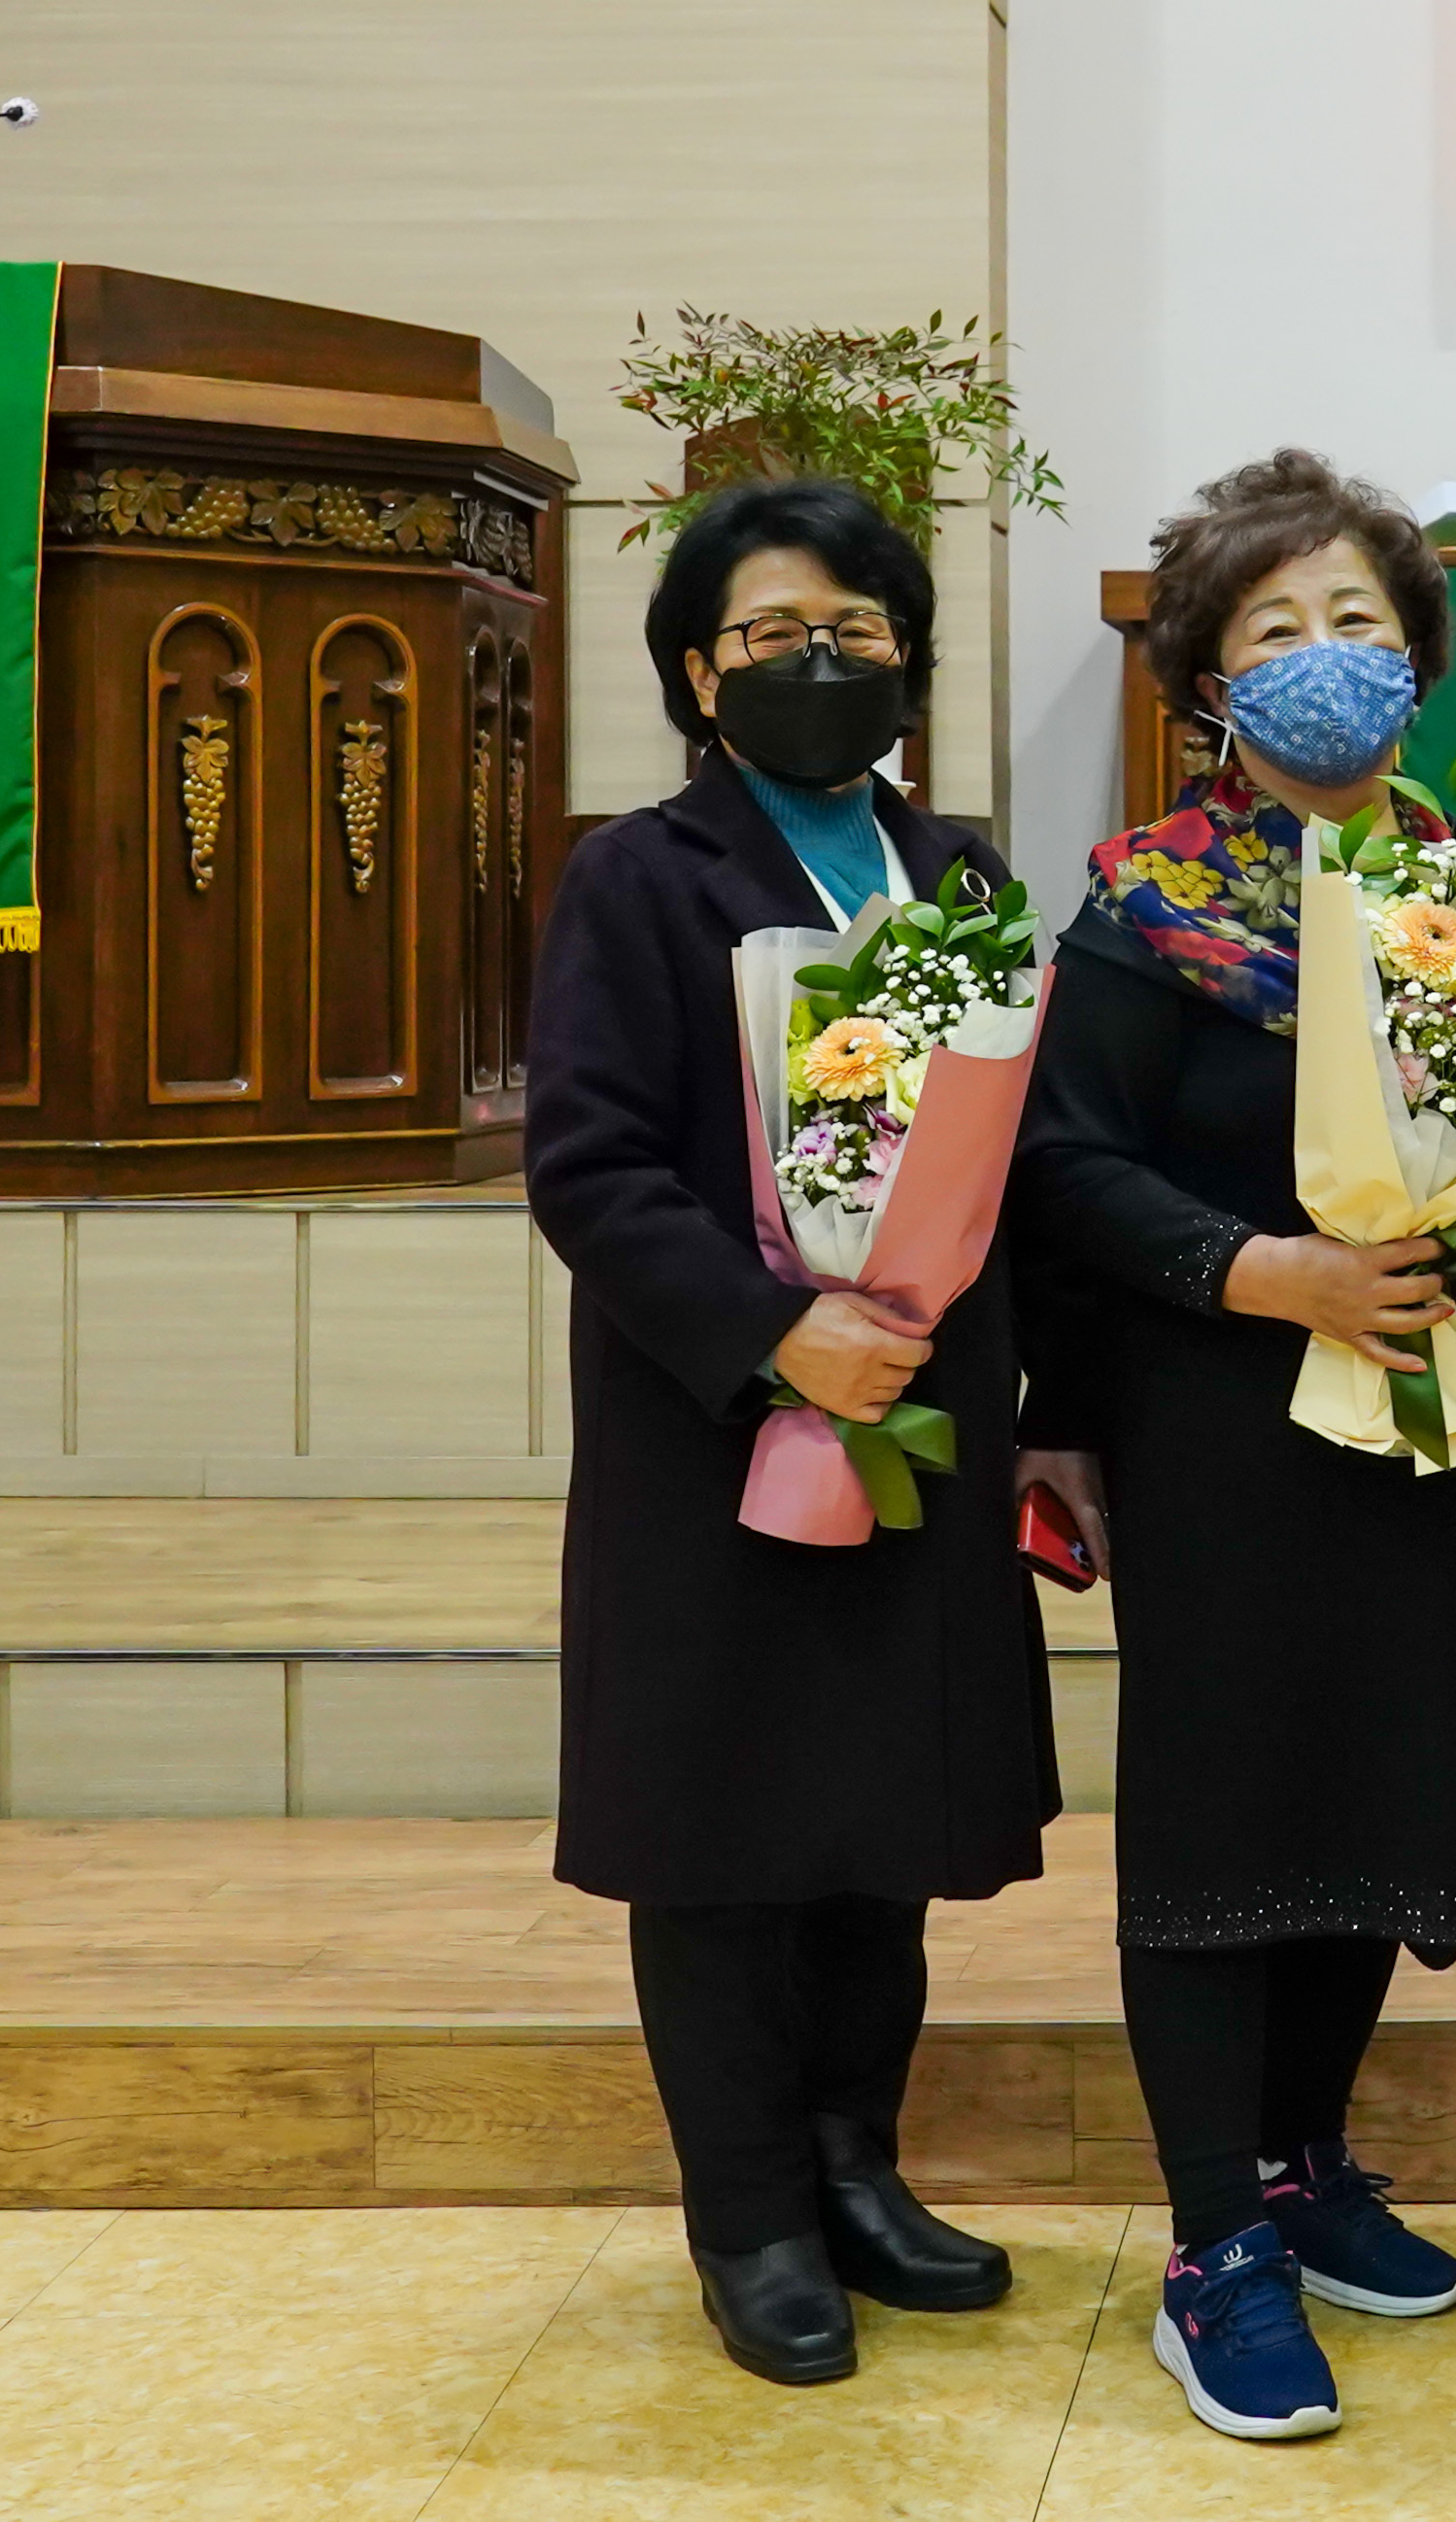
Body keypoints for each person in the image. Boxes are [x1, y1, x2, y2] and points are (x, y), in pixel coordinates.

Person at [1010, 450, 1456, 2445]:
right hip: (1216, 1414)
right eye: (1276, 627)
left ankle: (1306, 2165)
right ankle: (1211, 2244)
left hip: (1424, 1410)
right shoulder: (1145, 906)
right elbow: (1066, 1168)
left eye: (1358, 620)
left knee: (1382, 1782)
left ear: (1418, 654)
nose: (1327, 655)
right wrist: (1267, 1275)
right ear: (1210, 679)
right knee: (1223, 1815)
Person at [525, 479, 1060, 2388]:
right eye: (768, 632)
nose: (814, 660)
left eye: (853, 630)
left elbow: (1015, 1162)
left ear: (907, 660)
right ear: (696, 670)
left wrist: (1023, 1406)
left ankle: (855, 2167)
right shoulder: (638, 875)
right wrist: (776, 1334)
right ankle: (747, 2213)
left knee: (876, 1828)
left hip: (918, 1419)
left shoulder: (964, 878)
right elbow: (589, 1164)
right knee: (726, 1840)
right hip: (715, 1445)